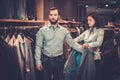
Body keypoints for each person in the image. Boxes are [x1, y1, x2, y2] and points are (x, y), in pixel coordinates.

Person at [34, 7, 83, 80]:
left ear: (58, 16)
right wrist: (38, 61)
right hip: (45, 60)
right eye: (51, 15)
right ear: (49, 16)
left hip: (59, 61)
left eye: (55, 15)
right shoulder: (42, 30)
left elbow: (72, 43)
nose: (53, 17)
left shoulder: (64, 31)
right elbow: (38, 46)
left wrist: (84, 50)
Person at [64, 12, 104, 80]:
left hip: (93, 53)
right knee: (75, 53)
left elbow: (99, 43)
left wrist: (88, 44)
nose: (88, 22)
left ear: (95, 20)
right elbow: (79, 38)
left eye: (90, 20)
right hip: (84, 51)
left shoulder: (100, 31)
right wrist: (73, 41)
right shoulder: (87, 31)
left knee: (77, 53)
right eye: (88, 20)